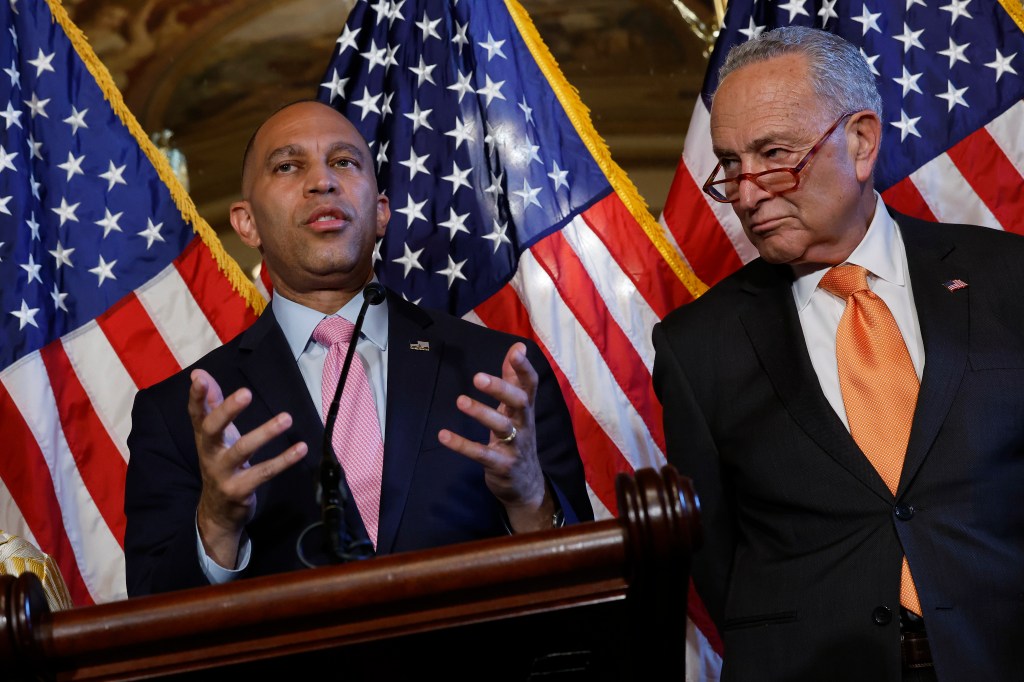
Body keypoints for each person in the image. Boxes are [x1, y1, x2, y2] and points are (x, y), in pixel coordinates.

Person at [652, 26, 1024, 682]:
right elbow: (719, 565)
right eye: (732, 165)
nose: (746, 194)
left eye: (773, 154)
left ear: (859, 142)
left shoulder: (1008, 278)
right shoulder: (696, 346)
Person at [124, 100, 593, 596]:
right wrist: (216, 524)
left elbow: (588, 592)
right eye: (287, 166)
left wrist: (530, 501)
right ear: (246, 224)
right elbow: (153, 623)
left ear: (381, 213)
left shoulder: (502, 375)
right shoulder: (176, 413)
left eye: (344, 162)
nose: (322, 182)